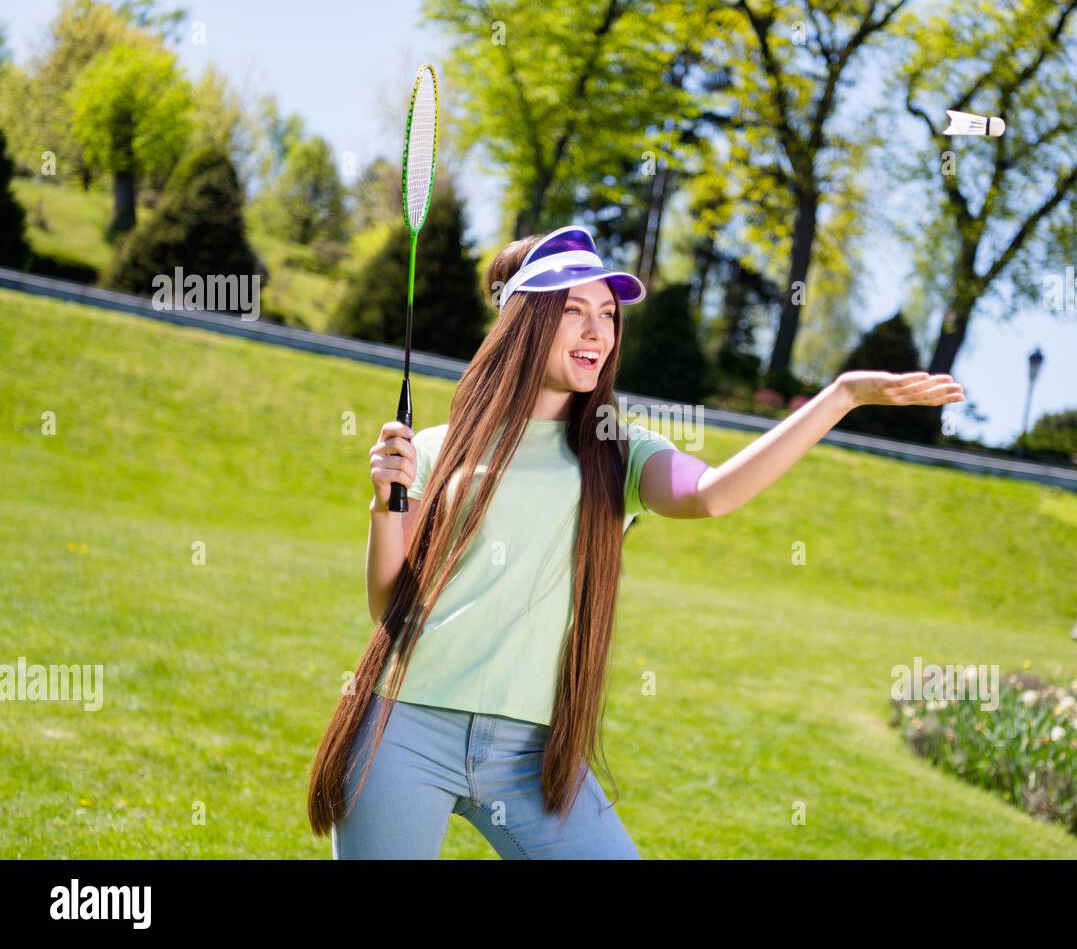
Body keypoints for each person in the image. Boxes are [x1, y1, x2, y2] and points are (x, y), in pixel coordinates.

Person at [306, 225, 963, 858]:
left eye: (609, 314)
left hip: (533, 755)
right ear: (527, 322)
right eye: (574, 311)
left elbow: (714, 493)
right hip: (405, 731)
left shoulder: (618, 452)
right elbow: (388, 605)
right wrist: (383, 505)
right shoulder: (434, 449)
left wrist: (840, 397)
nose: (598, 331)